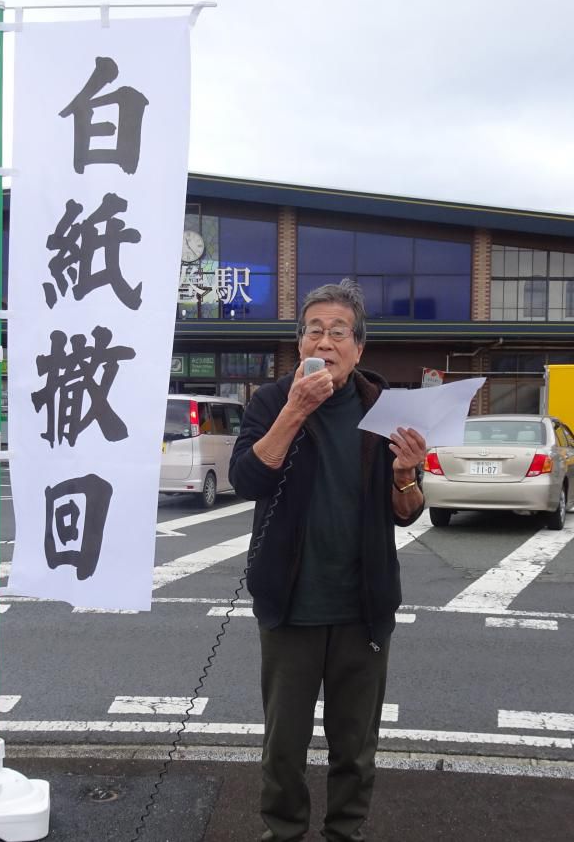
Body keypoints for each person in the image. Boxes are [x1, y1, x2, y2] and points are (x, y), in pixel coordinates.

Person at [229, 278, 426, 842]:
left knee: (355, 748)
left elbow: (408, 511)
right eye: (314, 330)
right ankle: (284, 831)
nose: (326, 340)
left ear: (359, 349)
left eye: (339, 331)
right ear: (299, 345)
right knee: (283, 747)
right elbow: (247, 479)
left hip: (363, 607)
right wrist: (293, 412)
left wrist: (406, 474)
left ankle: (345, 832)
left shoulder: (382, 408)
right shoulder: (270, 401)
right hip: (289, 605)